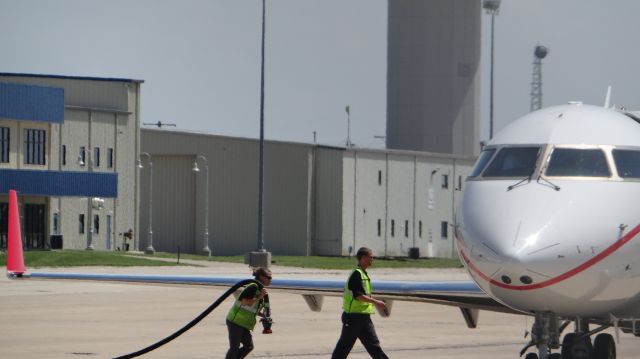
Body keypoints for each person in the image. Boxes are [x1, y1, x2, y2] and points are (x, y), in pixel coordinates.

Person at [332, 247, 389, 359]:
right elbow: (359, 296)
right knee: (343, 348)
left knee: (374, 348)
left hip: (363, 318)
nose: (372, 259)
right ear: (363, 258)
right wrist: (376, 302)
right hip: (353, 318)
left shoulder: (363, 274)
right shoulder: (356, 274)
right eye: (370, 257)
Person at [225, 267, 272, 359]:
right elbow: (244, 302)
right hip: (235, 321)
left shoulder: (260, 290)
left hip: (243, 324)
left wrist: (263, 315)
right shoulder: (253, 287)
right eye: (269, 278)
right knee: (234, 348)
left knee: (249, 346)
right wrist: (260, 296)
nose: (270, 280)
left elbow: (252, 308)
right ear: (262, 277)